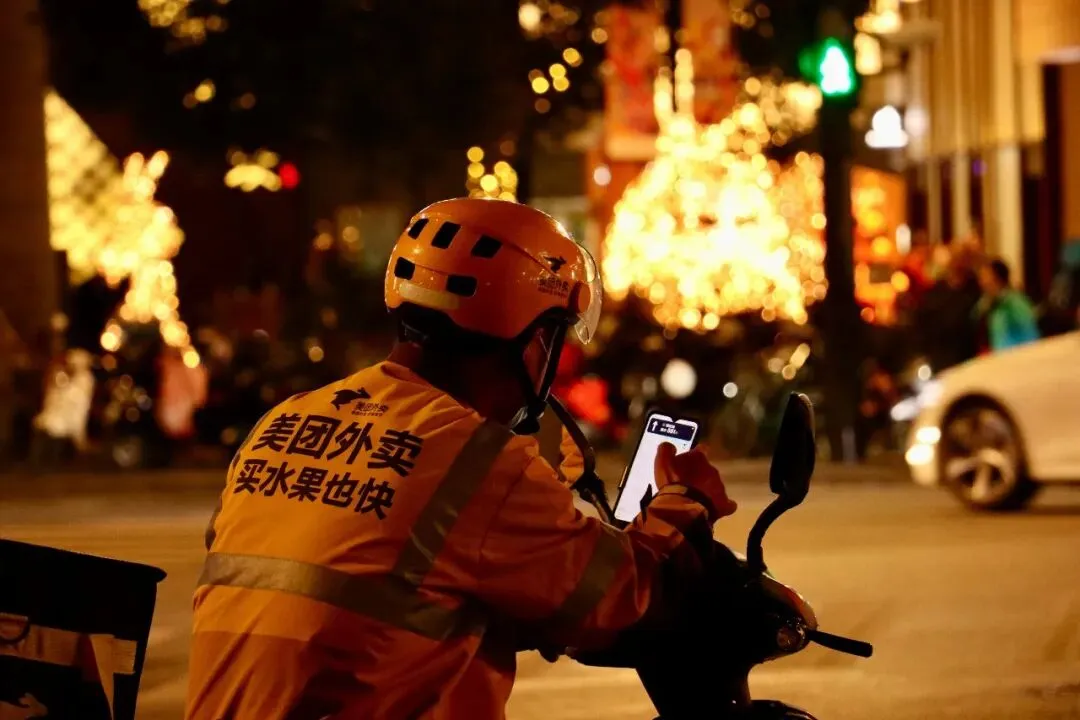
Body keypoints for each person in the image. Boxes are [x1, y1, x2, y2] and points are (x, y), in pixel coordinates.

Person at [185, 198, 736, 719]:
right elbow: (619, 597)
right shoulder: (478, 459)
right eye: (556, 336)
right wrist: (683, 503)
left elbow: (384, 577)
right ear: (529, 338)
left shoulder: (286, 421)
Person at [974, 257, 1040, 353]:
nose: (981, 282)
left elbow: (1030, 335)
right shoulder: (985, 304)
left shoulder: (1016, 303)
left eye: (985, 276)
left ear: (997, 278)